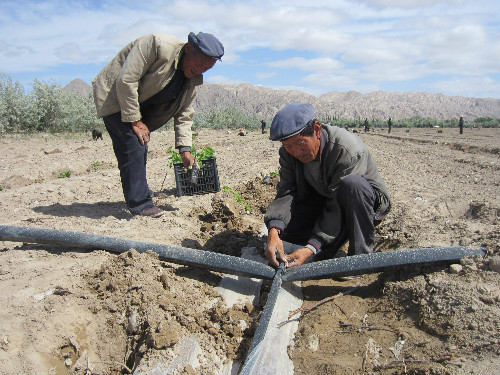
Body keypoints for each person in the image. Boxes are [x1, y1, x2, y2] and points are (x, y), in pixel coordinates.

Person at [92, 32, 224, 217]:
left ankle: (142, 191)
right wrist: (135, 120)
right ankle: (140, 204)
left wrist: (185, 150)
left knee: (141, 144)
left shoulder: (194, 80)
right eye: (200, 64)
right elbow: (127, 79)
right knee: (132, 142)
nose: (201, 71)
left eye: (207, 68)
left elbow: (185, 113)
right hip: (115, 97)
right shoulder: (157, 45)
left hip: (140, 104)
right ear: (188, 49)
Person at [264, 103, 391, 268]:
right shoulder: (288, 154)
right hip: (324, 196)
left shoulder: (347, 150)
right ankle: (325, 244)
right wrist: (274, 231)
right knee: (288, 236)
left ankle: (360, 262)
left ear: (317, 129)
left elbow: (336, 207)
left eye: (300, 143)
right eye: (288, 146)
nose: (295, 151)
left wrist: (312, 247)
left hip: (360, 203)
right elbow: (287, 191)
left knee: (353, 185)